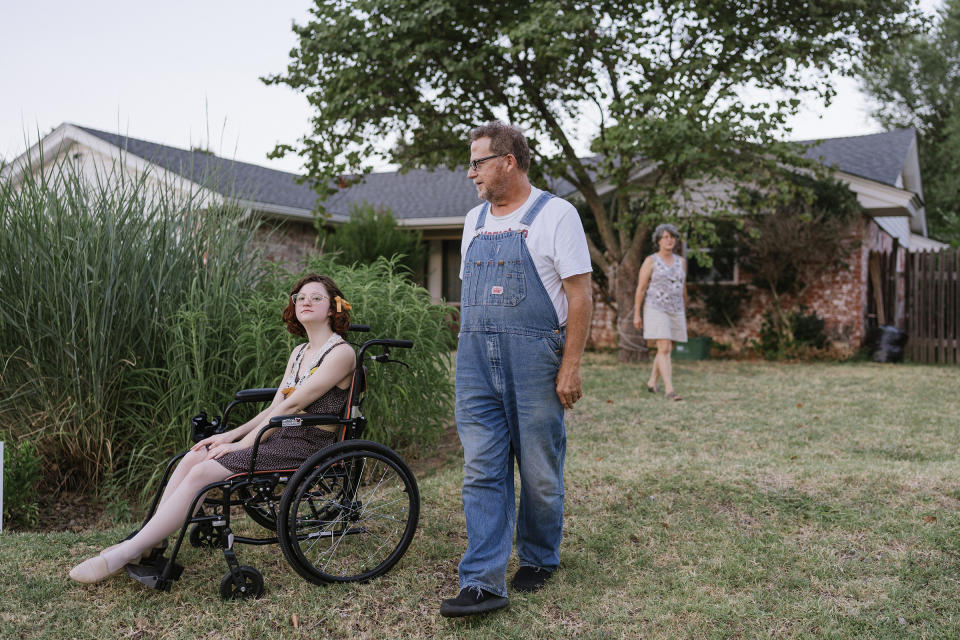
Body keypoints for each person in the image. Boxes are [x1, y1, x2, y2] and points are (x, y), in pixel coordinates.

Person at [69, 274, 356, 584]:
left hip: (310, 444)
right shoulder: (300, 352)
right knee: (195, 457)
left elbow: (289, 408)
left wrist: (242, 444)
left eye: (315, 297)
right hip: (281, 434)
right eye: (300, 297)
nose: (305, 302)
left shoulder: (341, 354)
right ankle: (149, 543)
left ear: (332, 309)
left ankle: (125, 552)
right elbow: (275, 407)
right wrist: (228, 436)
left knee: (203, 473)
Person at [439, 121, 593, 617]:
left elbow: (580, 294)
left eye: (477, 162)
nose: (470, 174)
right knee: (482, 469)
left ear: (508, 160)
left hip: (536, 359)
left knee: (541, 470)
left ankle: (540, 555)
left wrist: (570, 367)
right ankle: (482, 581)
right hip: (475, 361)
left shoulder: (556, 214)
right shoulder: (474, 222)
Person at [632, 223, 688, 401]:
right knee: (664, 346)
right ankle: (670, 390)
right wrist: (637, 314)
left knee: (666, 348)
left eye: (672, 237)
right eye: (666, 237)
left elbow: (683, 287)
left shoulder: (682, 262)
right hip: (655, 307)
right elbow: (640, 289)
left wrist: (684, 307)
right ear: (658, 241)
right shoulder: (651, 261)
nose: (670, 240)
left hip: (676, 308)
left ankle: (652, 382)